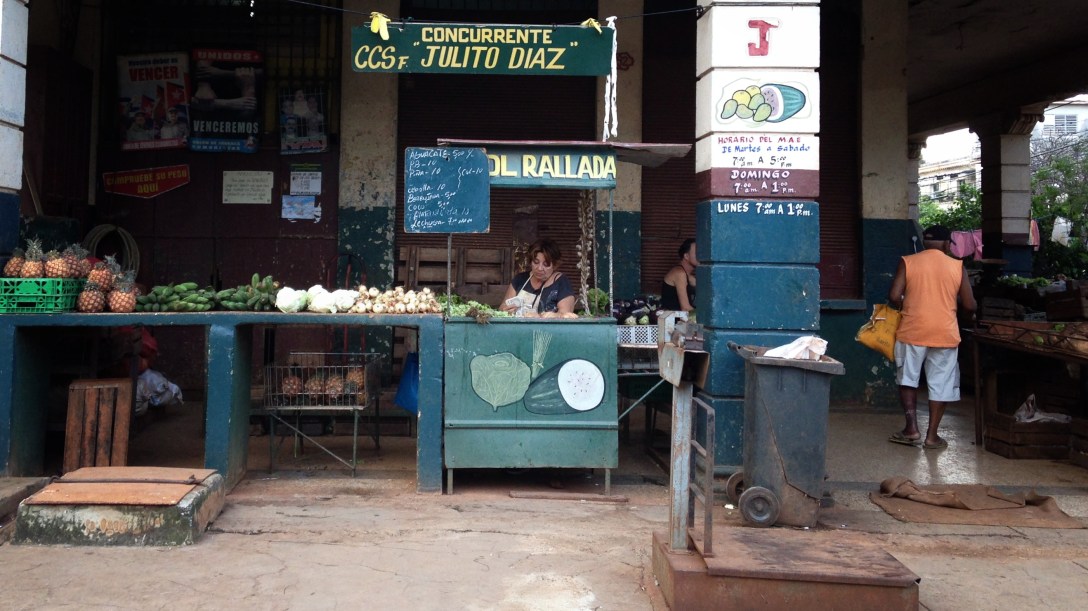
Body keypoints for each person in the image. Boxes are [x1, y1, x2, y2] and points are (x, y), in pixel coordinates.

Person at [887, 224, 977, 450]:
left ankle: (911, 429)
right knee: (941, 383)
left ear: (925, 243)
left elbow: (894, 296)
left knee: (908, 378)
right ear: (947, 244)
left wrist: (908, 302)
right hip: (945, 333)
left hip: (912, 330)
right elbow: (969, 304)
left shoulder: (908, 261)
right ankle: (932, 436)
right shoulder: (957, 266)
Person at [500, 238, 576, 316]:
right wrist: (505, 310)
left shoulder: (561, 282)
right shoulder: (520, 279)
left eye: (546, 264)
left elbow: (566, 315)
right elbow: (502, 307)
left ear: (555, 265)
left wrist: (541, 317)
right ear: (530, 262)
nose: (539, 268)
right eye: (536, 262)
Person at [660, 238, 698, 311]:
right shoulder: (679, 273)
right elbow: (685, 308)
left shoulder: (688, 276)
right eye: (697, 253)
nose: (700, 256)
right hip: (673, 321)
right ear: (686, 256)